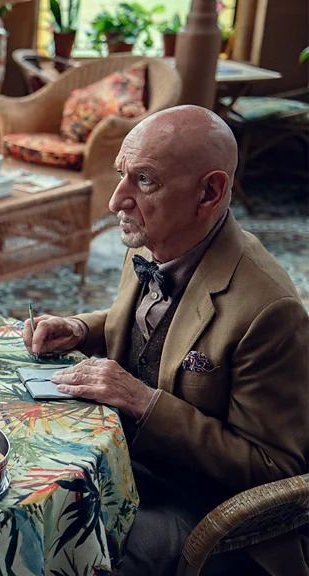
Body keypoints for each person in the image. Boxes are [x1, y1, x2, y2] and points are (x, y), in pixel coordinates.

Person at [22, 106, 309, 576]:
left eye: (145, 181)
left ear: (210, 192)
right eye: (121, 175)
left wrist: (143, 401)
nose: (117, 201)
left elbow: (275, 470)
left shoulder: (268, 309)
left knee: (66, 546)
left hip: (205, 508)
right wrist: (80, 329)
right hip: (125, 466)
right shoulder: (155, 238)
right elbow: (146, 323)